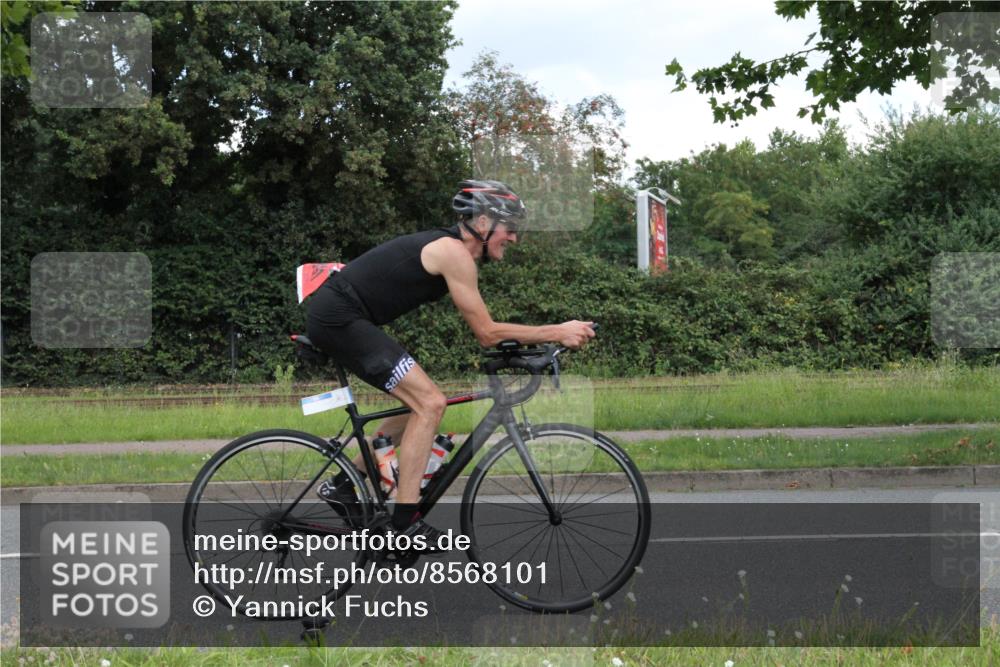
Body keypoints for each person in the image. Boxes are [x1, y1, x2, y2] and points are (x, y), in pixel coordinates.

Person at [305, 179, 595, 550]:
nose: (514, 238)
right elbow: (487, 333)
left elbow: (488, 331)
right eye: (511, 229)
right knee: (430, 403)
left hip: (345, 316)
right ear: (486, 223)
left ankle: (345, 486)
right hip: (339, 318)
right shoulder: (453, 252)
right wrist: (557, 331)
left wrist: (527, 348)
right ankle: (405, 525)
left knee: (421, 402)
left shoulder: (456, 254)